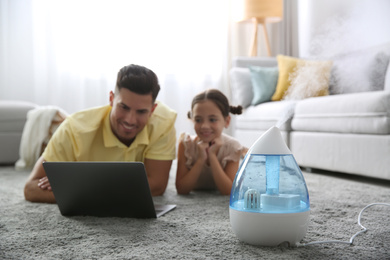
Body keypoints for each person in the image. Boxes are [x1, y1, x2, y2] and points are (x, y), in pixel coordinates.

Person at [24, 64, 177, 203]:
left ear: (152, 110)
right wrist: (110, 192)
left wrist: (79, 187)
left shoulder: (163, 121)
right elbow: (31, 188)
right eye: (123, 107)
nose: (130, 120)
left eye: (141, 112)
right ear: (111, 99)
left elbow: (157, 186)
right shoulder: (74, 128)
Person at [175, 89, 246, 195]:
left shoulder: (233, 147)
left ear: (226, 121)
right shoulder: (186, 144)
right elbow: (182, 189)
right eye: (198, 120)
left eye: (212, 120)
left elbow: (229, 191)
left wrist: (212, 156)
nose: (204, 126)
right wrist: (201, 159)